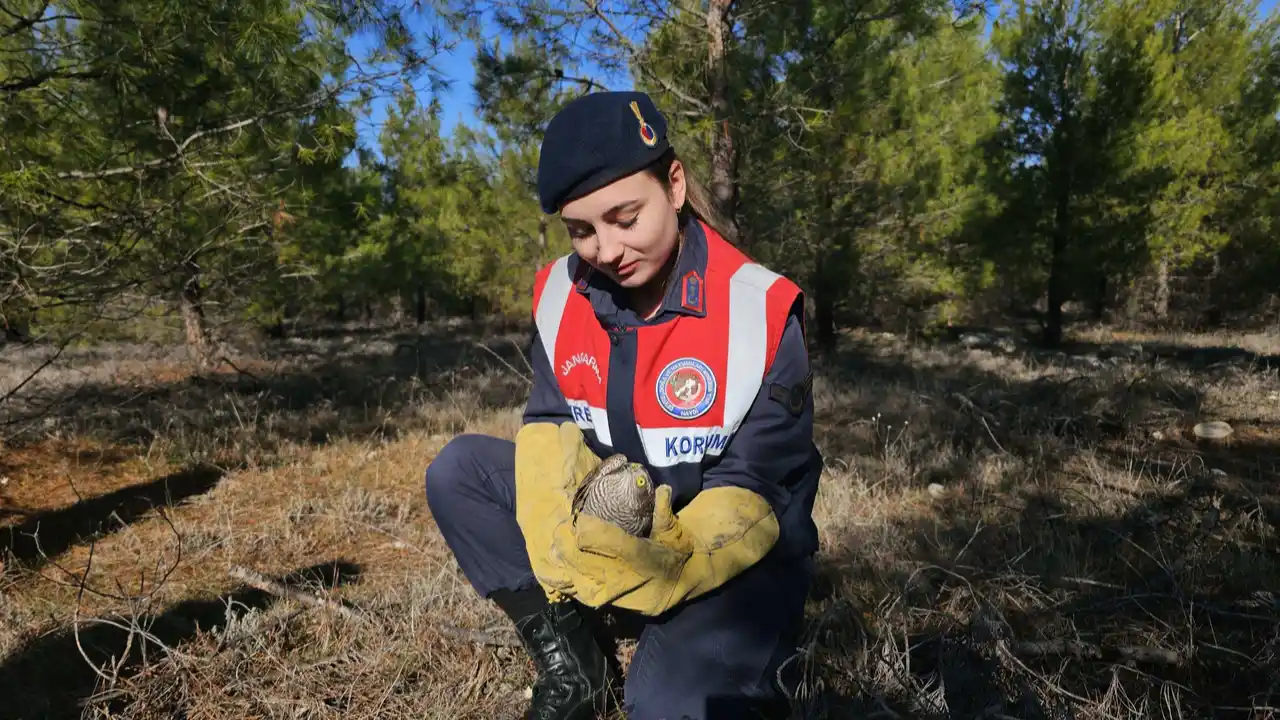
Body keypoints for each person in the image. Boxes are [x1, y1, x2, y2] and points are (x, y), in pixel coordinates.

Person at [423, 90, 823, 720]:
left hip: (725, 555)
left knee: (671, 706)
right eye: (581, 230)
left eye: (625, 217)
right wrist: (560, 547)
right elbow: (550, 426)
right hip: (614, 519)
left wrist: (672, 564)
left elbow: (756, 487)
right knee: (460, 472)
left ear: (675, 184)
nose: (605, 250)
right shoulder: (562, 293)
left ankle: (689, 644)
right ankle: (574, 660)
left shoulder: (760, 311)